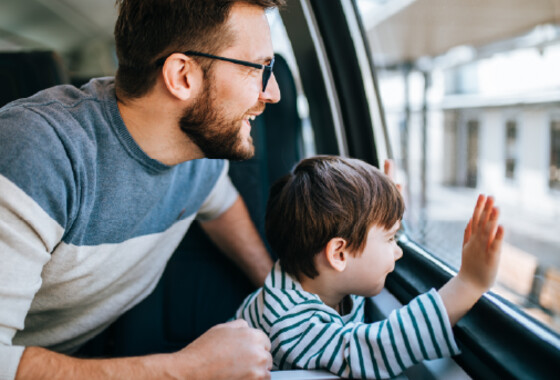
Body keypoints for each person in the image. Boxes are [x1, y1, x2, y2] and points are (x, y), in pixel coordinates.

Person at [0, 0, 286, 379]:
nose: (274, 93)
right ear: (182, 76)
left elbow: (220, 205)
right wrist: (188, 369)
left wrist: (279, 297)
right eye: (259, 69)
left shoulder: (200, 150)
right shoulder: (37, 155)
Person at [233, 155, 504, 379]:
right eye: (390, 239)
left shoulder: (318, 276)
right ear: (339, 253)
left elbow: (363, 258)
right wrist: (468, 283)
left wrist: (384, 211)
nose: (398, 251)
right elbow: (379, 347)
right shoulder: (292, 325)